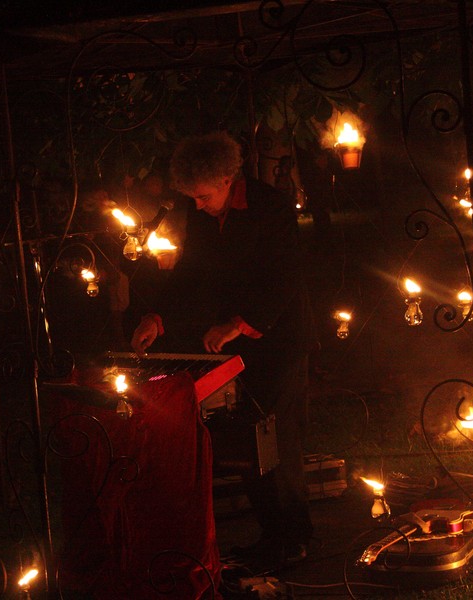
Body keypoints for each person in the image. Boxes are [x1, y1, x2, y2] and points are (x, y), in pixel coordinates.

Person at [131, 131, 316, 570]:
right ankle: (273, 534)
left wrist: (239, 323)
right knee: (250, 439)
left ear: (229, 178)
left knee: (278, 439)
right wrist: (157, 315)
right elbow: (193, 272)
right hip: (237, 343)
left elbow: (285, 277)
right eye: (192, 196)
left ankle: (294, 536)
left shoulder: (269, 207)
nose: (197, 204)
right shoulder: (202, 215)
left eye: (204, 195)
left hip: (279, 338)